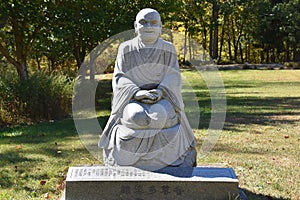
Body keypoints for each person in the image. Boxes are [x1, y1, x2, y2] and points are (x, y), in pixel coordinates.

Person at [99, 8, 196, 170]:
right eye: (143, 22)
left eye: (153, 22)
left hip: (162, 97)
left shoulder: (168, 48)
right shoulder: (126, 48)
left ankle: (166, 160)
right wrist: (137, 93)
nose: (148, 26)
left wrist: (161, 91)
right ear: (136, 26)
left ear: (160, 26)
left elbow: (173, 75)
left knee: (161, 117)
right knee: (138, 118)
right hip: (133, 98)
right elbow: (120, 77)